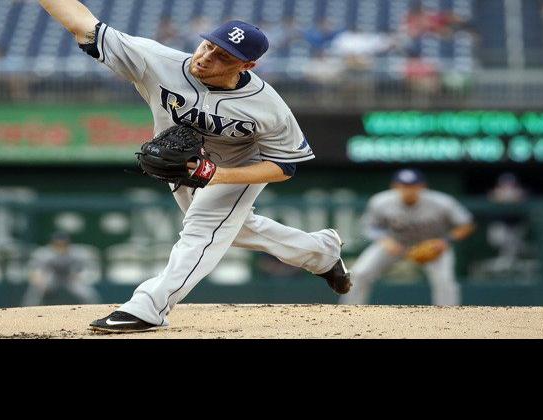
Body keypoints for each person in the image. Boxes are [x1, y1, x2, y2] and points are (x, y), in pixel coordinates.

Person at [38, 0, 352, 333]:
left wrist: (218, 176)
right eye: (208, 45)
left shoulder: (268, 108)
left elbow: (284, 168)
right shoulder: (158, 61)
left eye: (223, 56)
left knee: (202, 231)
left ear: (249, 65)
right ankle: (321, 253)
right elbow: (82, 25)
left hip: (240, 165)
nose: (206, 57)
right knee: (234, 229)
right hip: (182, 166)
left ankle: (149, 307)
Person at [340, 169, 475, 306]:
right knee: (360, 273)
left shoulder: (442, 202)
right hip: (396, 243)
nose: (408, 190)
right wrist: (385, 240)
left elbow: (466, 224)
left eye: (413, 185)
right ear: (395, 186)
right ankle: (350, 311)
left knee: (445, 281)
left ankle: (449, 318)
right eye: (403, 185)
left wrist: (446, 241)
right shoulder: (380, 201)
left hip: (432, 246)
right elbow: (369, 227)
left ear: (422, 186)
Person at [21, 232, 101, 306]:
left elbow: (89, 267)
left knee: (88, 293)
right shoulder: (44, 253)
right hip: (51, 277)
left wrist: (81, 276)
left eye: (63, 243)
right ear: (52, 242)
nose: (61, 245)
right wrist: (39, 280)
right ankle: (27, 310)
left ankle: (94, 311)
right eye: (58, 243)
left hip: (71, 278)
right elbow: (34, 269)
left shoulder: (77, 252)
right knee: (35, 291)